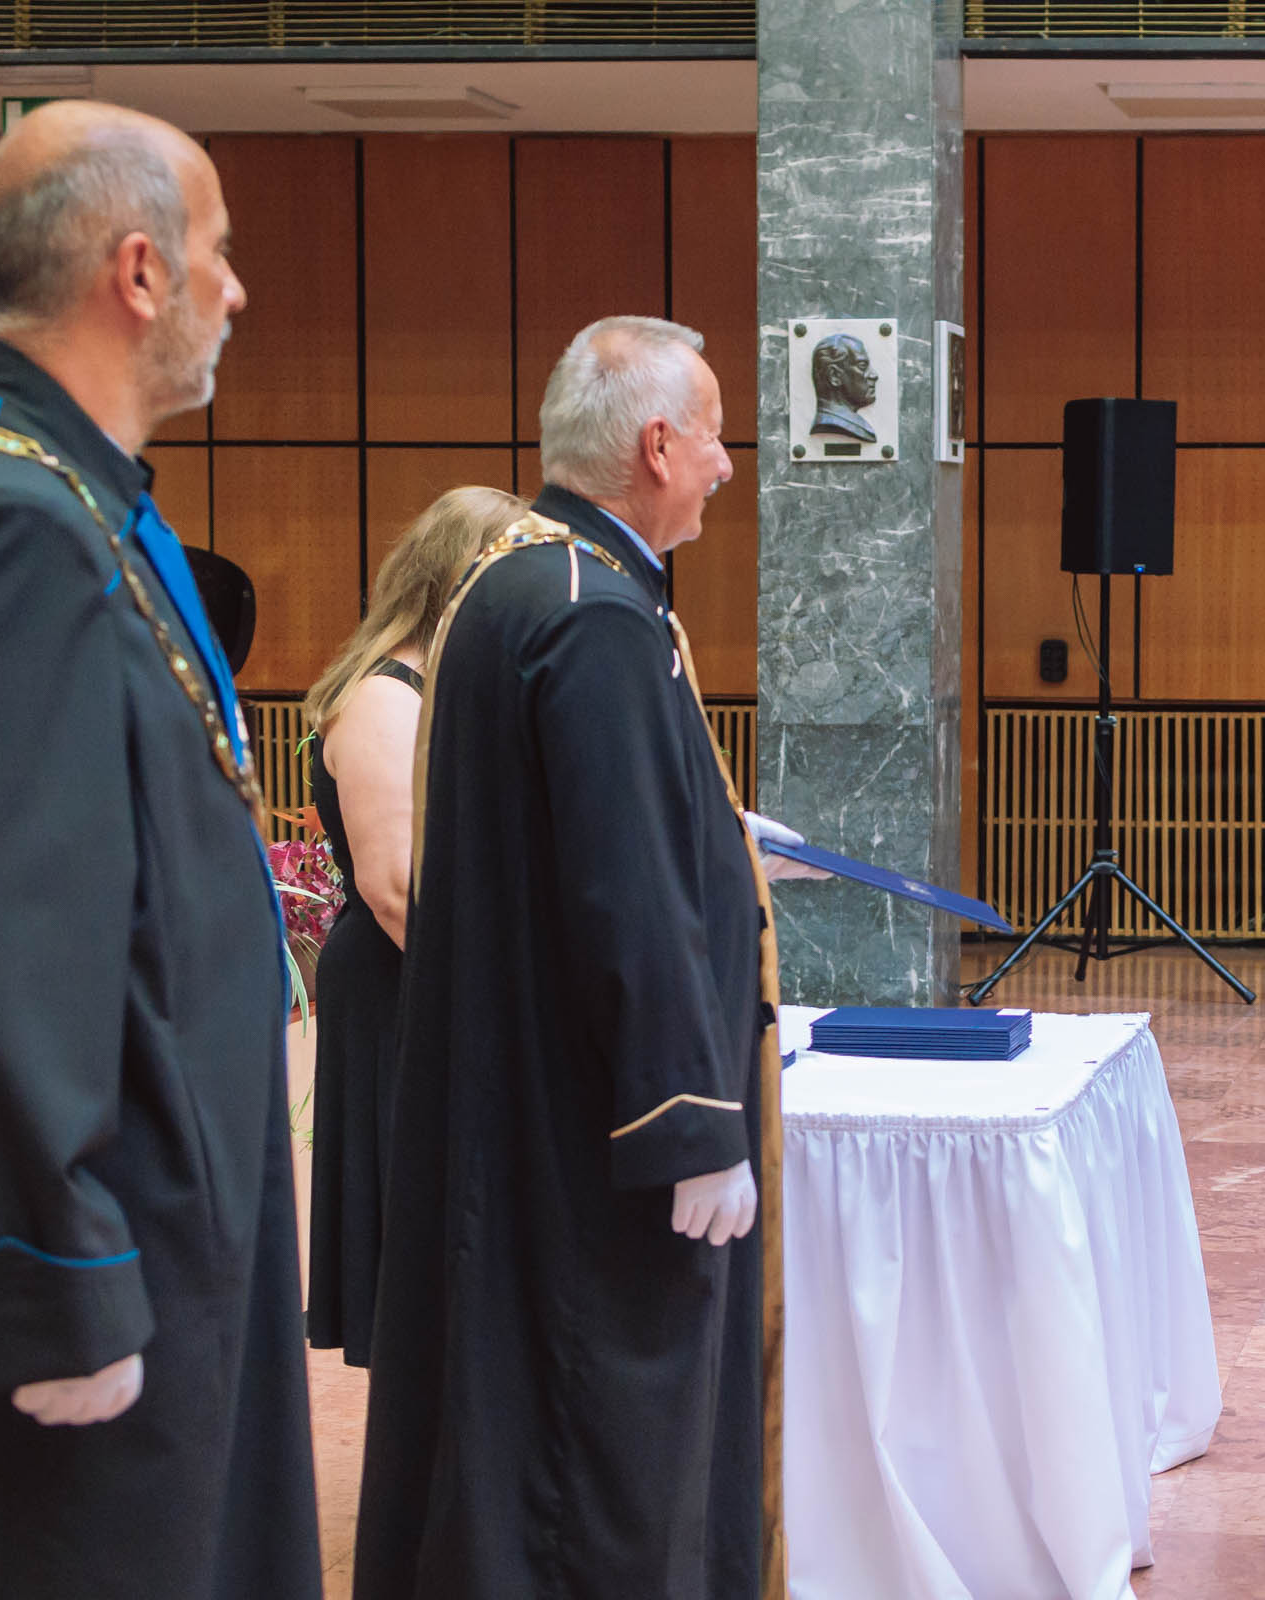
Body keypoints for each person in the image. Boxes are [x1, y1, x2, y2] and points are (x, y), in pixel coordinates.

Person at [0, 101, 320, 1597]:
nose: (236, 288)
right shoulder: (4, 527)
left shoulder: (66, 502)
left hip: (161, 1217)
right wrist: (53, 1274)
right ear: (138, 271)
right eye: (219, 252)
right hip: (95, 1262)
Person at [355, 317, 815, 1599]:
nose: (725, 463)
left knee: (514, 1444)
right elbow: (623, 893)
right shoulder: (596, 615)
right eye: (713, 434)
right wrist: (693, 1121)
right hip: (598, 1138)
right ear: (657, 444)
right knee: (601, 1457)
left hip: (524, 1106)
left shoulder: (515, 582)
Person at [302, 484, 524, 1367]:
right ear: (458, 578)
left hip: (438, 976)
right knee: (421, 1244)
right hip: (407, 986)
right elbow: (396, 888)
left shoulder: (442, 685)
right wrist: (497, 1002)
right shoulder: (385, 699)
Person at [808, 330, 879, 442]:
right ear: (834, 375)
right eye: (862, 366)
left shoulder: (857, 425)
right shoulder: (832, 423)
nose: (874, 375)